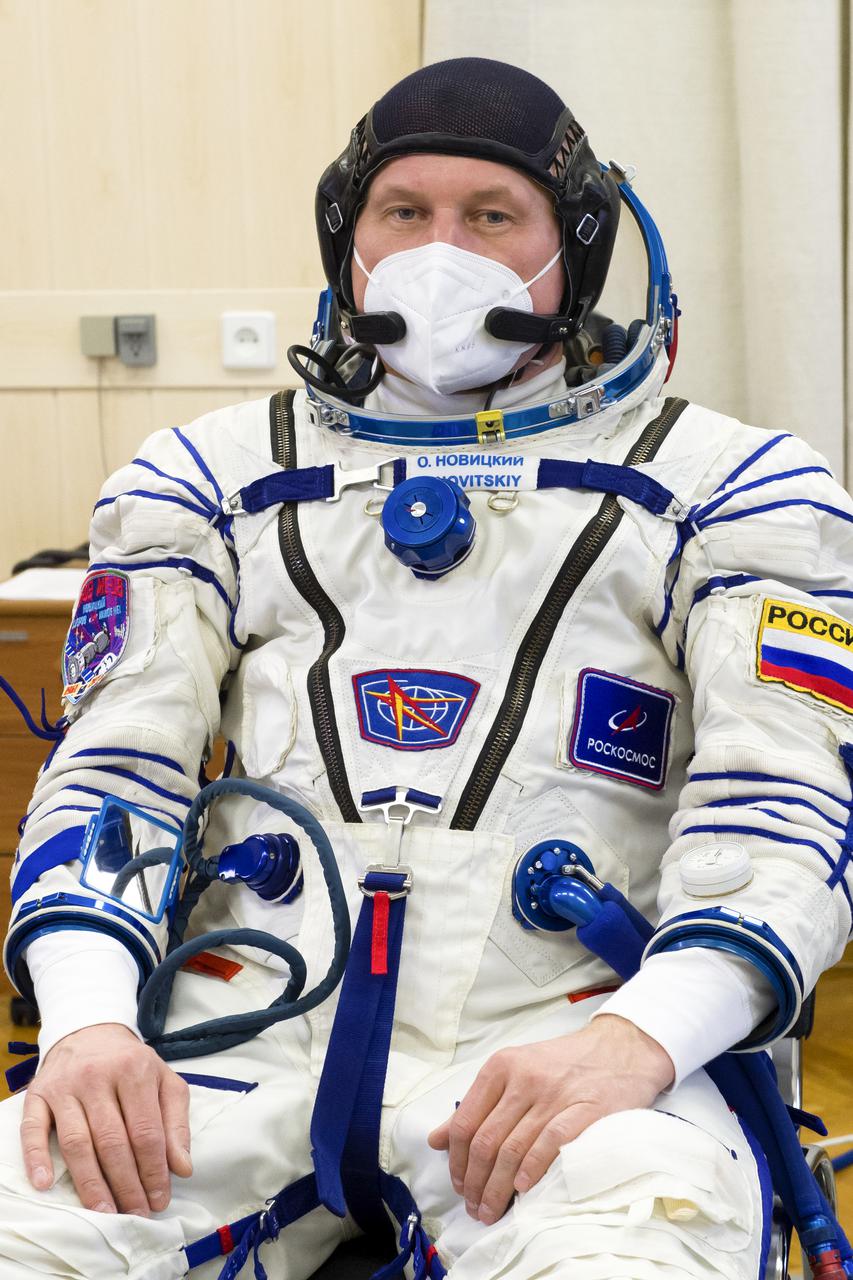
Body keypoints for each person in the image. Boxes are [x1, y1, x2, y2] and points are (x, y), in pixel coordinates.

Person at [1, 56, 852, 1280]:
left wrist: (639, 1040)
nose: (437, 249)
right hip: (243, 1034)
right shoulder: (204, 477)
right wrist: (86, 1023)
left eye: (490, 216)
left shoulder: (734, 488)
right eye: (403, 213)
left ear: (576, 252)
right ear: (349, 241)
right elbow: (112, 773)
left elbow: (789, 813)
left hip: (568, 1041)